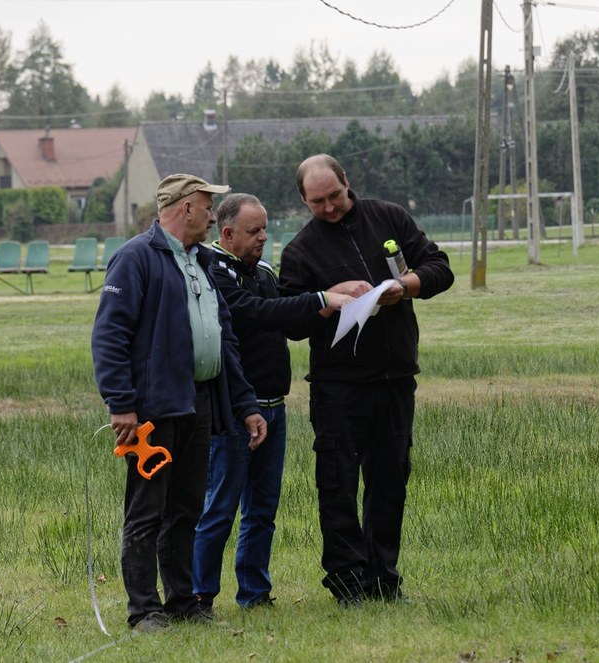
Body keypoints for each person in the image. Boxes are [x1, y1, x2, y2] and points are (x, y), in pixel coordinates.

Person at [91, 173, 267, 633]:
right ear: (187, 207)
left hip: (199, 401)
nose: (213, 216)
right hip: (151, 409)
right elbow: (109, 336)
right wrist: (121, 404)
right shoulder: (134, 258)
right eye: (209, 206)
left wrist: (245, 403)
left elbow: (224, 339)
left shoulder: (203, 261)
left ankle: (182, 602)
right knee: (147, 510)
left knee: (187, 507)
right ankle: (144, 610)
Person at [278, 154, 455, 606]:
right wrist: (330, 300)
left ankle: (384, 580)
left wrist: (406, 286)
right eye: (317, 202)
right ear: (304, 200)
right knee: (337, 484)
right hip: (338, 387)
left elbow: (440, 267)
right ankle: (346, 583)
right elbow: (292, 322)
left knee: (390, 480)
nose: (330, 208)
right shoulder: (300, 250)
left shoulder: (389, 217)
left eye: (334, 196)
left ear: (347, 183)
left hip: (396, 378)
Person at [192, 193, 353, 615]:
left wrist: (338, 303)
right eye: (254, 231)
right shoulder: (212, 271)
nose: (264, 237)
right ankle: (199, 594)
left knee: (262, 510)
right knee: (220, 509)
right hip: (233, 412)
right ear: (226, 234)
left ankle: (255, 593)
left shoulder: (263, 271)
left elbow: (286, 318)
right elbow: (253, 312)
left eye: (265, 228)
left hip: (275, 407)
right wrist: (321, 298)